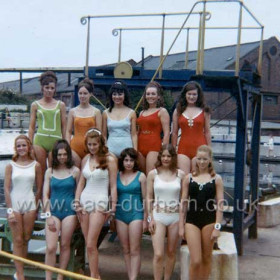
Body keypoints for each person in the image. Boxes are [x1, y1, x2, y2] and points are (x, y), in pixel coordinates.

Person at [74, 128, 117, 279]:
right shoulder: (86, 159)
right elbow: (80, 183)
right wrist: (77, 201)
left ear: (100, 144)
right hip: (85, 200)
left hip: (100, 201)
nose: (92, 147)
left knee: (92, 243)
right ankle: (94, 275)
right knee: (89, 244)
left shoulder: (110, 160)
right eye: (90, 144)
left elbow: (113, 186)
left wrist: (112, 208)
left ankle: (95, 276)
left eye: (95, 144)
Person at [179, 145, 224, 280]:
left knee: (206, 258)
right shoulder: (188, 178)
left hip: (209, 220)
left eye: (205, 159)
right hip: (192, 220)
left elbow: (220, 203)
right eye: (199, 159)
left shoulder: (216, 179)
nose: (202, 162)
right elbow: (183, 202)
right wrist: (181, 226)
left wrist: (217, 226)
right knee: (196, 260)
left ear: (210, 159)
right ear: (195, 159)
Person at [4, 135, 42, 280]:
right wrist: (10, 210)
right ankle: (20, 274)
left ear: (29, 147)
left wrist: (36, 207)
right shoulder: (10, 165)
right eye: (18, 146)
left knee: (26, 238)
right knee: (17, 240)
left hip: (30, 205)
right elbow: (7, 189)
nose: (21, 148)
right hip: (15, 204)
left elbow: (39, 189)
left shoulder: (36, 165)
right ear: (16, 148)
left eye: (24, 145)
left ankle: (21, 267)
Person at [43, 140, 80, 280]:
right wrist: (48, 216)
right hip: (53, 211)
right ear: (55, 155)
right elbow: (45, 195)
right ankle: (48, 277)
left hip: (69, 213)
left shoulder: (75, 171)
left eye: (65, 154)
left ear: (68, 155)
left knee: (65, 245)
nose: (62, 157)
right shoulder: (49, 171)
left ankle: (60, 276)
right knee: (51, 247)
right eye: (59, 155)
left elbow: (78, 193)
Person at [147, 144, 185, 280]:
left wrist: (182, 220)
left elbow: (184, 199)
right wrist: (149, 218)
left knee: (171, 252)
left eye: (169, 156)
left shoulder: (180, 174)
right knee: (158, 254)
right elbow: (148, 197)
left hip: (175, 216)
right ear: (160, 157)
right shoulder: (153, 174)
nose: (166, 158)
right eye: (163, 156)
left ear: (173, 157)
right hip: (158, 215)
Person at [115, 148, 147, 280]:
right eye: (126, 160)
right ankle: (130, 276)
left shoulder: (141, 176)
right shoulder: (117, 175)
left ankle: (134, 278)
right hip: (120, 214)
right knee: (125, 249)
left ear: (135, 162)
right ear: (122, 161)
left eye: (131, 160)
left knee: (135, 249)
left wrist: (146, 219)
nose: (128, 163)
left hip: (136, 213)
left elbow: (146, 199)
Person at [29, 71, 67, 173]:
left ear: (55, 89)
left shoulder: (61, 105)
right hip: (40, 141)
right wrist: (29, 144)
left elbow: (64, 127)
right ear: (42, 88)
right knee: (41, 171)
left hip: (56, 142)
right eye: (47, 88)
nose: (49, 90)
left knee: (53, 171)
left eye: (52, 88)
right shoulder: (35, 105)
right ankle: (40, 189)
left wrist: (65, 143)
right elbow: (32, 127)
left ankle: (51, 189)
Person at [172, 81, 211, 174]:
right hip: (183, 149)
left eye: (194, 94)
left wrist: (209, 151)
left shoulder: (205, 111)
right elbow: (174, 132)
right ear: (185, 95)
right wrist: (173, 149)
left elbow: (207, 132)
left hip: (200, 149)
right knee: (183, 177)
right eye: (189, 94)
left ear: (198, 95)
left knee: (196, 178)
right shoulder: (178, 111)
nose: (191, 97)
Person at [66, 78, 102, 167]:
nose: (82, 96)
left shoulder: (96, 112)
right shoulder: (72, 111)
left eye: (85, 93)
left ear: (91, 94)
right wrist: (67, 147)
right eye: (80, 93)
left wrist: (99, 150)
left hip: (91, 149)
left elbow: (99, 133)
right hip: (75, 148)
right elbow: (68, 131)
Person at [137, 81, 170, 174]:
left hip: (154, 146)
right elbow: (138, 131)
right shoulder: (142, 112)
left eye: (153, 94)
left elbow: (167, 132)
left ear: (158, 96)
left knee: (150, 174)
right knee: (141, 175)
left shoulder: (162, 111)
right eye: (148, 94)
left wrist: (164, 151)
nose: (150, 96)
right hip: (140, 145)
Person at [102, 81, 137, 157]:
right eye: (114, 94)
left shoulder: (132, 113)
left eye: (120, 94)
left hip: (127, 149)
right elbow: (104, 135)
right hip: (110, 149)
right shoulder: (105, 113)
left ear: (125, 95)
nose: (117, 97)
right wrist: (105, 149)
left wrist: (135, 151)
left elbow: (134, 134)